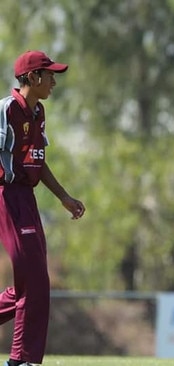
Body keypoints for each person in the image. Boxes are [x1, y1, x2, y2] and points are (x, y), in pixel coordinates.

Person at [0, 50, 85, 366]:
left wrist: (64, 197)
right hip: (6, 196)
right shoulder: (6, 110)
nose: (54, 81)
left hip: (27, 198)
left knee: (34, 283)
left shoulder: (39, 113)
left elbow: (39, 160)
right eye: (49, 75)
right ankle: (21, 359)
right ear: (32, 77)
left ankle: (24, 359)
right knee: (34, 282)